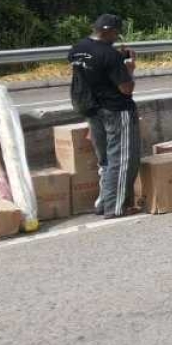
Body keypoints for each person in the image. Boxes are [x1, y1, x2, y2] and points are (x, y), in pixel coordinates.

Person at [67, 14, 140, 218]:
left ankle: (103, 203)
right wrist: (129, 69)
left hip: (92, 109)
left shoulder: (77, 49)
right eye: (116, 33)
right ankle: (115, 208)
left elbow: (92, 67)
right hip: (116, 110)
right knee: (123, 159)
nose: (116, 37)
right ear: (109, 31)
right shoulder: (111, 56)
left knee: (106, 160)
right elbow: (126, 88)